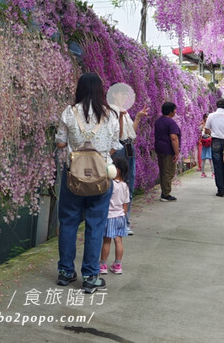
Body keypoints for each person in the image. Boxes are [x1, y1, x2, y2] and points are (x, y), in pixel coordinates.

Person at [55, 73, 121, 294]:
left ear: (80, 89)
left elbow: (61, 143)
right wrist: (98, 154)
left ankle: (65, 272)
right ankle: (91, 276)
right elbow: (114, 145)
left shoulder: (69, 112)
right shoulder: (111, 115)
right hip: (101, 178)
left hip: (73, 176)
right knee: (95, 225)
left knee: (68, 223)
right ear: (100, 90)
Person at [112, 103, 147, 235]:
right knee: (117, 185)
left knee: (128, 185)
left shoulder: (124, 112)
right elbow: (118, 135)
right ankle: (115, 223)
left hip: (128, 147)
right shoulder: (111, 111)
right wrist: (120, 116)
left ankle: (125, 222)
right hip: (119, 148)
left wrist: (137, 117)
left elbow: (130, 134)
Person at [100, 157, 130, 275]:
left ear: (116, 170)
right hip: (120, 216)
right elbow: (125, 205)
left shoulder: (109, 184)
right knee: (118, 241)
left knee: (107, 241)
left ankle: (103, 265)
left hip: (109, 216)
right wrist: (123, 216)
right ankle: (118, 265)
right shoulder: (125, 186)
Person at [205, 98, 224, 196]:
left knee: (217, 165)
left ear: (216, 106)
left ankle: (220, 188)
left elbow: (206, 130)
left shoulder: (211, 116)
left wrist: (213, 131)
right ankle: (223, 186)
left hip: (215, 141)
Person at [154, 101, 181, 201]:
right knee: (168, 172)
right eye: (174, 109)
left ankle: (164, 192)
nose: (175, 111)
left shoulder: (158, 121)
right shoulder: (171, 122)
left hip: (159, 149)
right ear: (170, 111)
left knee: (163, 171)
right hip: (168, 150)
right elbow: (174, 138)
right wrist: (176, 153)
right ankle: (165, 194)